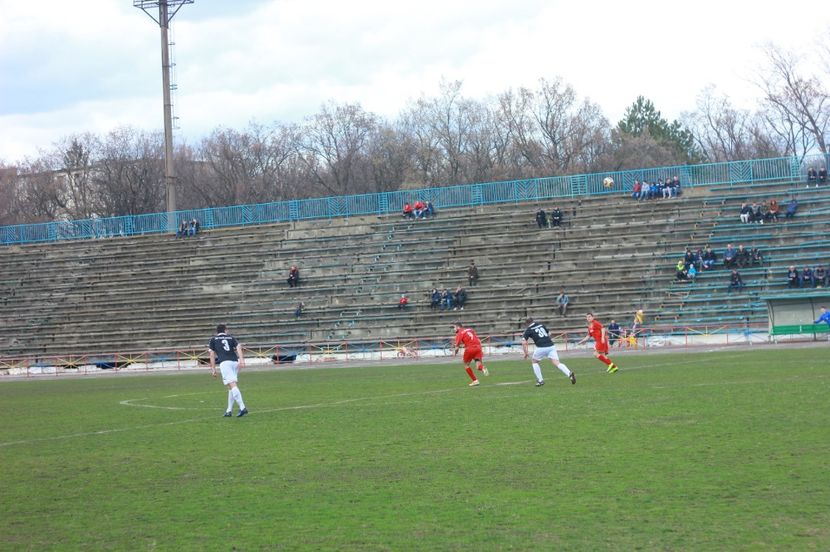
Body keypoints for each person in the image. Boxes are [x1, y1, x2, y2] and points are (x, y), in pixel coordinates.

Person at [521, 317, 575, 387]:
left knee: (534, 362)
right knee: (557, 363)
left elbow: (523, 342)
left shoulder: (528, 330)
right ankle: (569, 373)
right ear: (533, 321)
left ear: (526, 324)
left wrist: (526, 353)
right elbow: (549, 333)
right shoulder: (541, 325)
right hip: (551, 346)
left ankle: (540, 380)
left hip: (541, 347)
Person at [208, 324, 248, 417]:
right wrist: (242, 360)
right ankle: (229, 410)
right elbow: (238, 347)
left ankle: (242, 408)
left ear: (217, 331)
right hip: (235, 362)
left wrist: (213, 369)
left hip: (225, 363)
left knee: (232, 385)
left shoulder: (213, 339)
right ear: (225, 330)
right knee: (230, 386)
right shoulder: (231, 338)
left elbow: (211, 355)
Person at [452, 322, 488, 387]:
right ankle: (482, 368)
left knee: (466, 365)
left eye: (454, 327)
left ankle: (475, 381)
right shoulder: (470, 330)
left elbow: (457, 347)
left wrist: (454, 353)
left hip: (470, 349)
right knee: (478, 366)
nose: (453, 329)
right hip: (478, 348)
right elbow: (476, 339)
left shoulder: (459, 333)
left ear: (458, 327)